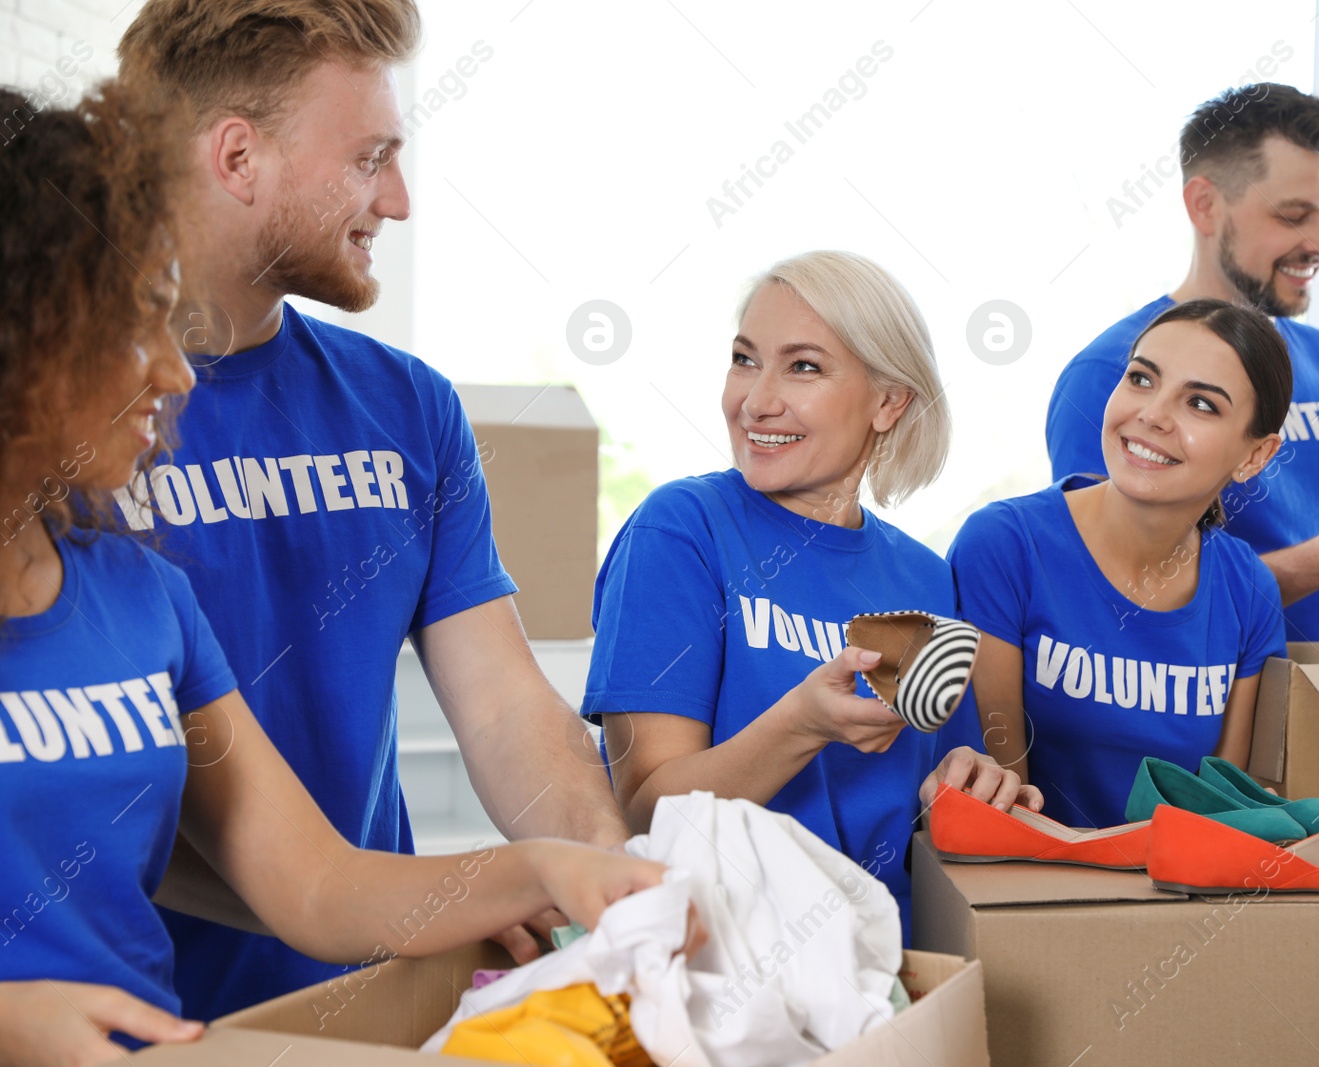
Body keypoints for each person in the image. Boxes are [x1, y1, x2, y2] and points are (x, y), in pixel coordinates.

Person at [0, 85, 673, 1067]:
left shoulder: (143, 597)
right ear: (29, 342)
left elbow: (317, 887)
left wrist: (545, 868)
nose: (176, 370)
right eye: (132, 327)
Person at [112, 0, 632, 1019]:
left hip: (373, 1006)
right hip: (137, 1016)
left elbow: (503, 705)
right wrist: (382, 901)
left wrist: (606, 879)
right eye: (368, 158)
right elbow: (68, 785)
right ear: (236, 156)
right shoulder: (67, 428)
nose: (395, 199)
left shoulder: (407, 406)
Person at [582, 251, 1040, 943]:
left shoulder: (924, 577)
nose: (756, 399)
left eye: (802, 366)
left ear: (889, 401)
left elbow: (929, 800)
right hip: (720, 958)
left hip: (888, 965)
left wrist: (966, 777)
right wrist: (802, 723)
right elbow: (647, 810)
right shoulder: (679, 530)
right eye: (744, 359)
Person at [1044, 83, 1319, 643]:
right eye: (1294, 215)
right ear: (1205, 204)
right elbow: (1106, 599)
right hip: (1203, 712)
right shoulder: (1114, 376)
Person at [955, 300, 1290, 828]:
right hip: (1024, 894)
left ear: (1255, 456)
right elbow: (1001, 806)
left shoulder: (1248, 590)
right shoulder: (1004, 547)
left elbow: (1218, 817)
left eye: (1200, 404)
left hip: (1178, 900)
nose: (1153, 414)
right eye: (1140, 379)